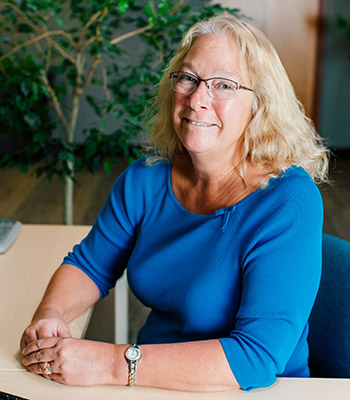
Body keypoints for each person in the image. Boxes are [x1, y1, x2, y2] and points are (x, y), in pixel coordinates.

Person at [20, 14, 329, 392]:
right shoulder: (146, 177)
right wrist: (50, 316)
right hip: (152, 382)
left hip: (255, 390)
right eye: (188, 78)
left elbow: (256, 358)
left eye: (223, 85)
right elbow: (90, 265)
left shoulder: (288, 201)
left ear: (259, 104)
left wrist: (109, 363)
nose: (198, 99)